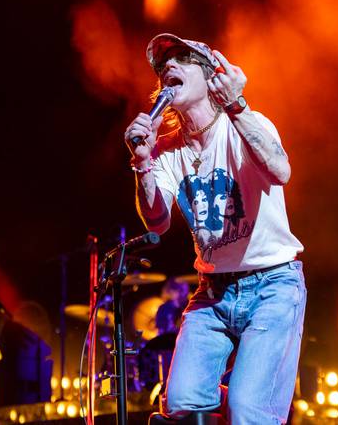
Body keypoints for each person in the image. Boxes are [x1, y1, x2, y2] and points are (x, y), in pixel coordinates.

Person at [124, 34, 306, 424]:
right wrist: (142, 164)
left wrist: (238, 106)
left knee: (247, 409)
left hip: (272, 283)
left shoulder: (242, 124)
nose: (168, 66)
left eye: (182, 59)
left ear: (211, 78)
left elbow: (281, 171)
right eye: (163, 66)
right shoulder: (167, 148)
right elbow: (157, 221)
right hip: (213, 292)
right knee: (180, 404)